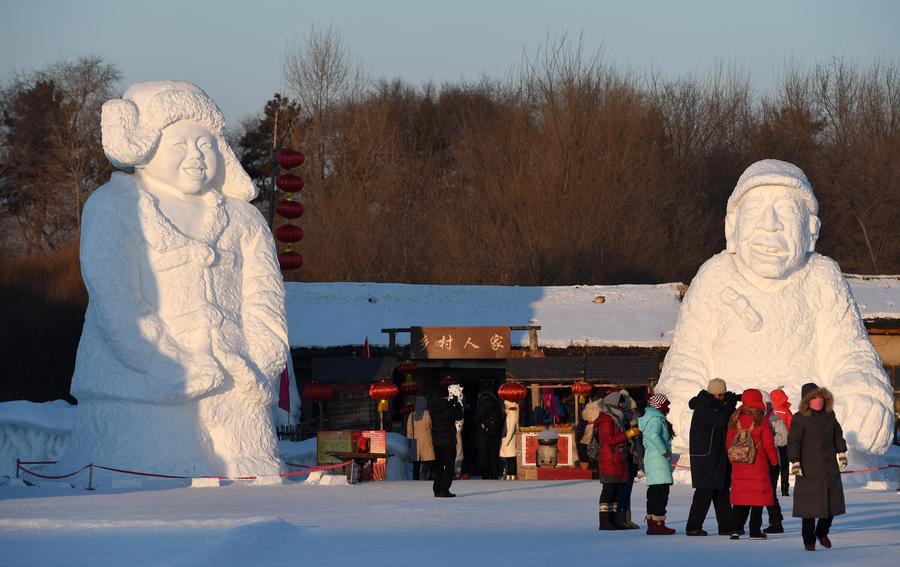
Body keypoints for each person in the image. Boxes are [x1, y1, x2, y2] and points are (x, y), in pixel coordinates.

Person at [57, 81, 287, 481]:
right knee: (160, 463)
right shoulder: (115, 207)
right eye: (179, 144)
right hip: (141, 389)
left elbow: (265, 297)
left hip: (238, 387)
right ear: (147, 147)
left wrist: (263, 360)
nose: (196, 156)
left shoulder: (244, 219)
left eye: (205, 144)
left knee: (252, 466)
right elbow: (116, 296)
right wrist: (159, 361)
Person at [656, 159, 893, 458]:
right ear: (731, 226)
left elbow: (851, 354)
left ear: (811, 230)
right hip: (730, 425)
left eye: (786, 210)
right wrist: (683, 405)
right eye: (756, 209)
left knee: (858, 422)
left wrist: (863, 396)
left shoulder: (822, 276)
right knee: (687, 421)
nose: (770, 224)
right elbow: (686, 359)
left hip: (807, 427)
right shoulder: (714, 277)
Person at [787, 382, 848, 551]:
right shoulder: (799, 417)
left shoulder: (830, 414)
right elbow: (793, 441)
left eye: (820, 396)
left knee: (832, 503)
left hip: (829, 467)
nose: (818, 399)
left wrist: (841, 453)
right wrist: (795, 461)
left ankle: (822, 532)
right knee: (809, 507)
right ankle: (809, 540)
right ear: (806, 400)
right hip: (809, 469)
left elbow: (837, 434)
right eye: (814, 397)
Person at [685, 378, 739, 536]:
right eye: (721, 395)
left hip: (716, 454)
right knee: (704, 491)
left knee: (721, 490)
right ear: (715, 394)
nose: (723, 398)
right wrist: (730, 404)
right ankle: (693, 526)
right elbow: (721, 421)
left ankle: (726, 526)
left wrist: (728, 402)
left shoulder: (713, 404)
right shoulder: (704, 406)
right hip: (706, 457)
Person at [726, 389, 779, 540]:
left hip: (739, 464)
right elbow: (768, 444)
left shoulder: (734, 418)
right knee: (758, 499)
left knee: (740, 497)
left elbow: (729, 441)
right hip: (758, 464)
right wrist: (774, 461)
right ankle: (755, 531)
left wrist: (734, 457)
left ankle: (735, 529)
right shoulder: (761, 420)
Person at [594, 392, 641, 530]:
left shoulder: (616, 419)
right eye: (620, 402)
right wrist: (627, 435)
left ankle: (614, 520)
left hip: (617, 459)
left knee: (616, 491)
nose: (622, 405)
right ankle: (605, 521)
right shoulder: (606, 420)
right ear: (613, 403)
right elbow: (608, 441)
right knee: (608, 490)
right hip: (609, 459)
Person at [639, 393, 676, 535]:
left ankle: (652, 522)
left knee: (655, 491)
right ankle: (658, 523)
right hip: (658, 459)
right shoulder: (655, 419)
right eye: (666, 405)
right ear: (659, 406)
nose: (668, 408)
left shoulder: (654, 417)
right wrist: (664, 451)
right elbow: (653, 435)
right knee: (661, 492)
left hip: (654, 459)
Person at [429, 385, 464, 497]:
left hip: (436, 440)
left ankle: (437, 489)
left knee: (439, 465)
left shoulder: (432, 407)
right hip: (449, 441)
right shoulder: (449, 407)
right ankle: (444, 489)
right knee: (448, 466)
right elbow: (460, 416)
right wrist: (457, 404)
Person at [615, 390, 643, 529]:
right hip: (624, 456)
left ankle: (627, 518)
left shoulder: (634, 420)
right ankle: (621, 518)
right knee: (623, 489)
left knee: (628, 489)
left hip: (633, 456)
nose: (633, 411)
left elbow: (638, 440)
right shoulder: (619, 420)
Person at [761, 390, 788, 533]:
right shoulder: (754, 418)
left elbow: (784, 438)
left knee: (770, 492)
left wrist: (768, 440)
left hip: (772, 461)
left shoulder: (775, 419)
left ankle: (776, 522)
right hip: (757, 461)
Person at [475, 390, 503, 479]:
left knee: (483, 457)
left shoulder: (480, 407)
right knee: (494, 457)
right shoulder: (496, 407)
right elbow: (500, 420)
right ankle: (494, 475)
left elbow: (475, 420)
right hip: (494, 435)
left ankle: (485, 475)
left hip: (482, 436)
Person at [770, 388, 793, 496]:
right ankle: (785, 488)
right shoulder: (786, 411)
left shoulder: (770, 411)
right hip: (785, 441)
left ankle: (772, 487)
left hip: (773, 441)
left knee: (773, 464)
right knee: (784, 465)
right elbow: (792, 425)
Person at [406, 396, 435, 480]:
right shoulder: (428, 414)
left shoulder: (412, 415)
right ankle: (424, 472)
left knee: (416, 462)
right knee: (429, 458)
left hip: (415, 440)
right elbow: (432, 426)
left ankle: (415, 478)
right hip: (427, 438)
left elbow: (409, 428)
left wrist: (410, 439)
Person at [499, 399, 520, 480]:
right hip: (509, 439)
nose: (505, 408)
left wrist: (506, 442)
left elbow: (510, 429)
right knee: (510, 459)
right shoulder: (511, 413)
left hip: (509, 440)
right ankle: (510, 475)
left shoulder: (512, 414)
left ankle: (511, 475)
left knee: (510, 459)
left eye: (506, 406)